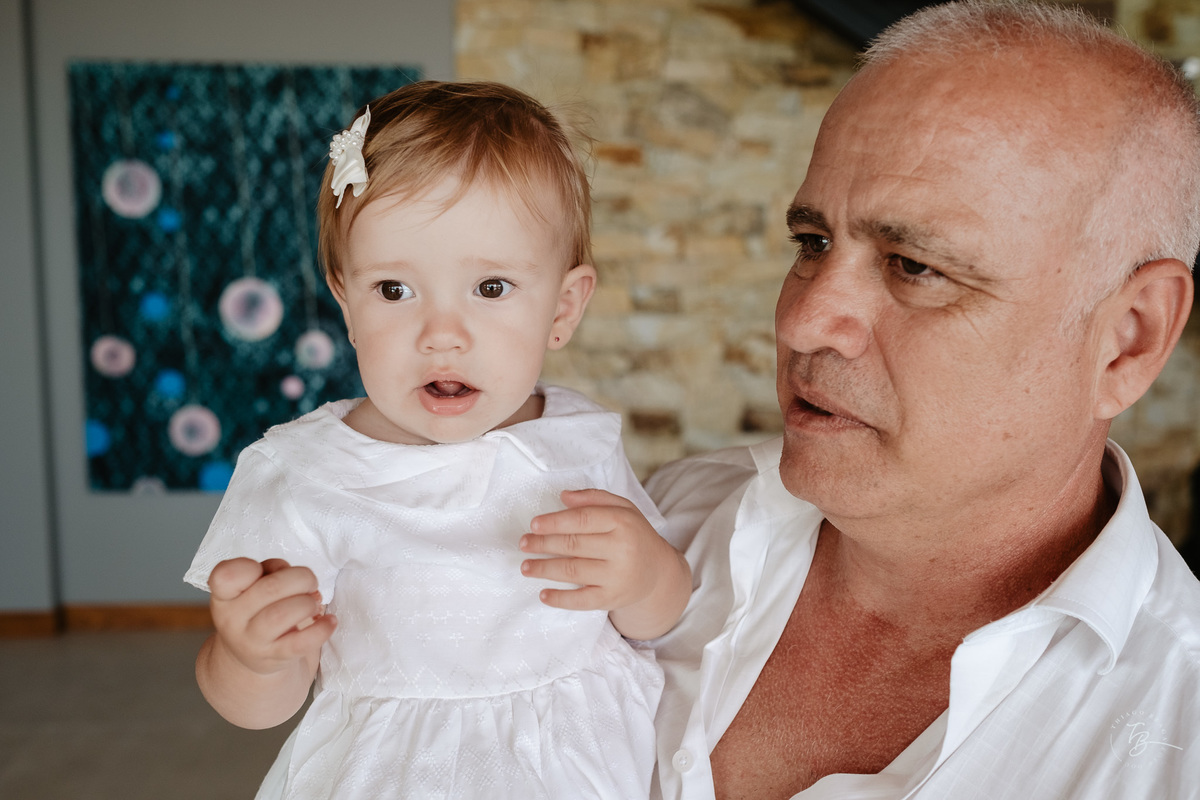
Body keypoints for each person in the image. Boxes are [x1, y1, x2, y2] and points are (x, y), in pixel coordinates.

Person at [647, 2, 1200, 798]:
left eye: (914, 267)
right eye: (813, 244)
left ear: (1128, 341)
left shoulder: (1171, 741)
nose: (804, 321)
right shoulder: (668, 521)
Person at [184, 80, 691, 799]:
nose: (442, 335)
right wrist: (252, 657)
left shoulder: (577, 441)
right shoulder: (304, 474)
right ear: (346, 303)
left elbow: (660, 617)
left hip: (581, 760)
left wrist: (643, 574)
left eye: (490, 288)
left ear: (563, 307)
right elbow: (256, 709)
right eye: (394, 290)